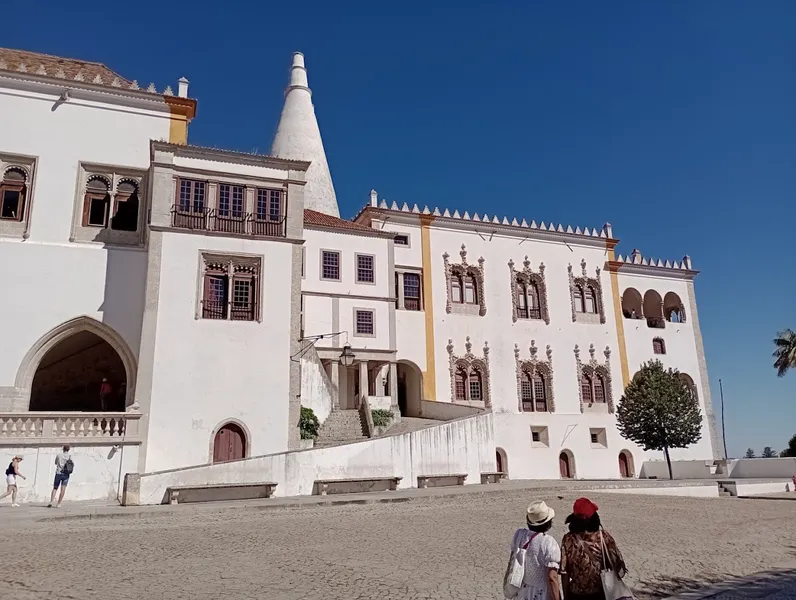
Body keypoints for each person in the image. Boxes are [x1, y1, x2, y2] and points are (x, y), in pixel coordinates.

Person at [560, 497, 627, 600]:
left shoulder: (568, 539)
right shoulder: (604, 538)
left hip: (576, 594)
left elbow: (564, 572)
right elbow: (618, 567)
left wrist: (565, 596)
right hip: (601, 593)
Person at [508, 500, 561, 600]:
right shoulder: (549, 543)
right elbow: (552, 577)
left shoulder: (519, 535)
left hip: (522, 590)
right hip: (541, 593)